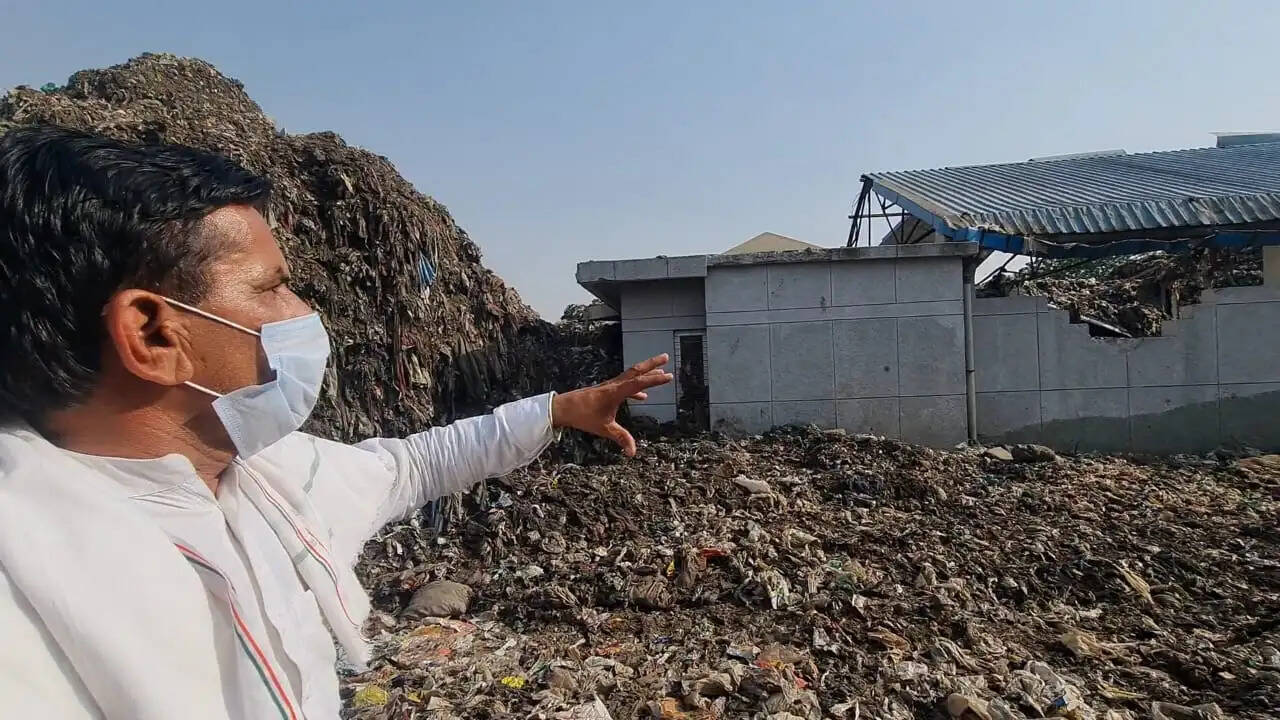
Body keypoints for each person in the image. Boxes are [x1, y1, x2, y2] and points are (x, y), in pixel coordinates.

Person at [0, 125, 671, 719]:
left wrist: (559, 411)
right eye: (270, 287)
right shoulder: (29, 591)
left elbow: (412, 464)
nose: (302, 311)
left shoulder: (267, 478)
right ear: (152, 335)